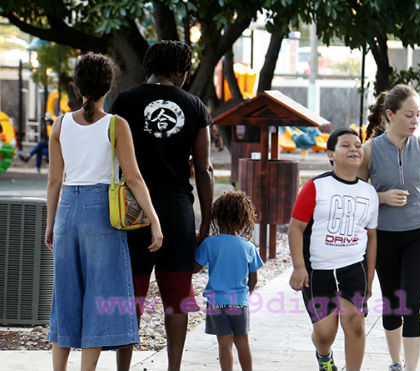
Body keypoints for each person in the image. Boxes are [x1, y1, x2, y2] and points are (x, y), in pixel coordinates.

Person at [45, 52, 163, 371]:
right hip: (102, 212)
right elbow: (134, 178)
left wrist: (50, 223)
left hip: (66, 210)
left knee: (66, 295)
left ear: (76, 86)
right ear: (109, 86)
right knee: (99, 294)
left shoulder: (60, 124)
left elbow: (55, 179)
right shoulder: (116, 124)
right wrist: (154, 220)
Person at [110, 40, 215, 371]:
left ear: (150, 67)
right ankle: (173, 368)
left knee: (132, 297)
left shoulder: (125, 101)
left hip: (133, 210)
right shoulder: (195, 106)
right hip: (177, 211)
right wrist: (204, 222)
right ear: (181, 70)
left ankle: (123, 368)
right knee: (177, 298)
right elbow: (204, 169)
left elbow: (111, 158)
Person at [359, 84, 420, 371]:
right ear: (390, 115)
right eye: (409, 115)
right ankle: (396, 362)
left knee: (411, 302)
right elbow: (357, 196)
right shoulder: (369, 151)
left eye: (419, 115)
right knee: (392, 301)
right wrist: (381, 197)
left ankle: (411, 368)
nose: (417, 121)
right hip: (384, 238)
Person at [289, 128, 379, 371]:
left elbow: (371, 237)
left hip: (353, 268)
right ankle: (324, 355)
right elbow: (296, 228)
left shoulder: (369, 193)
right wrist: (299, 267)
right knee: (325, 333)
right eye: (346, 145)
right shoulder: (316, 187)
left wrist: (369, 278)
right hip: (318, 270)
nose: (354, 149)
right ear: (331, 154)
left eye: (358, 145)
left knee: (356, 324)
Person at [193, 191, 263, 371]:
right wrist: (245, 295)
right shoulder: (248, 246)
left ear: (218, 219)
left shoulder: (210, 243)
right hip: (239, 302)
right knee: (242, 341)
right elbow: (253, 278)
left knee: (224, 343)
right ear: (243, 222)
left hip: (216, 303)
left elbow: (194, 268)